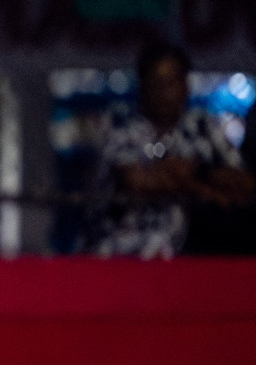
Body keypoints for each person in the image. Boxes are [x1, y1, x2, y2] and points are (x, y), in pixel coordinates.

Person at [94, 42, 254, 258]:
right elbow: (137, 181)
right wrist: (206, 188)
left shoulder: (203, 125)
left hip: (193, 256)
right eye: (156, 83)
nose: (165, 93)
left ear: (186, 85)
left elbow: (241, 181)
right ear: (143, 86)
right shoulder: (120, 123)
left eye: (171, 82)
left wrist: (197, 173)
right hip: (123, 255)